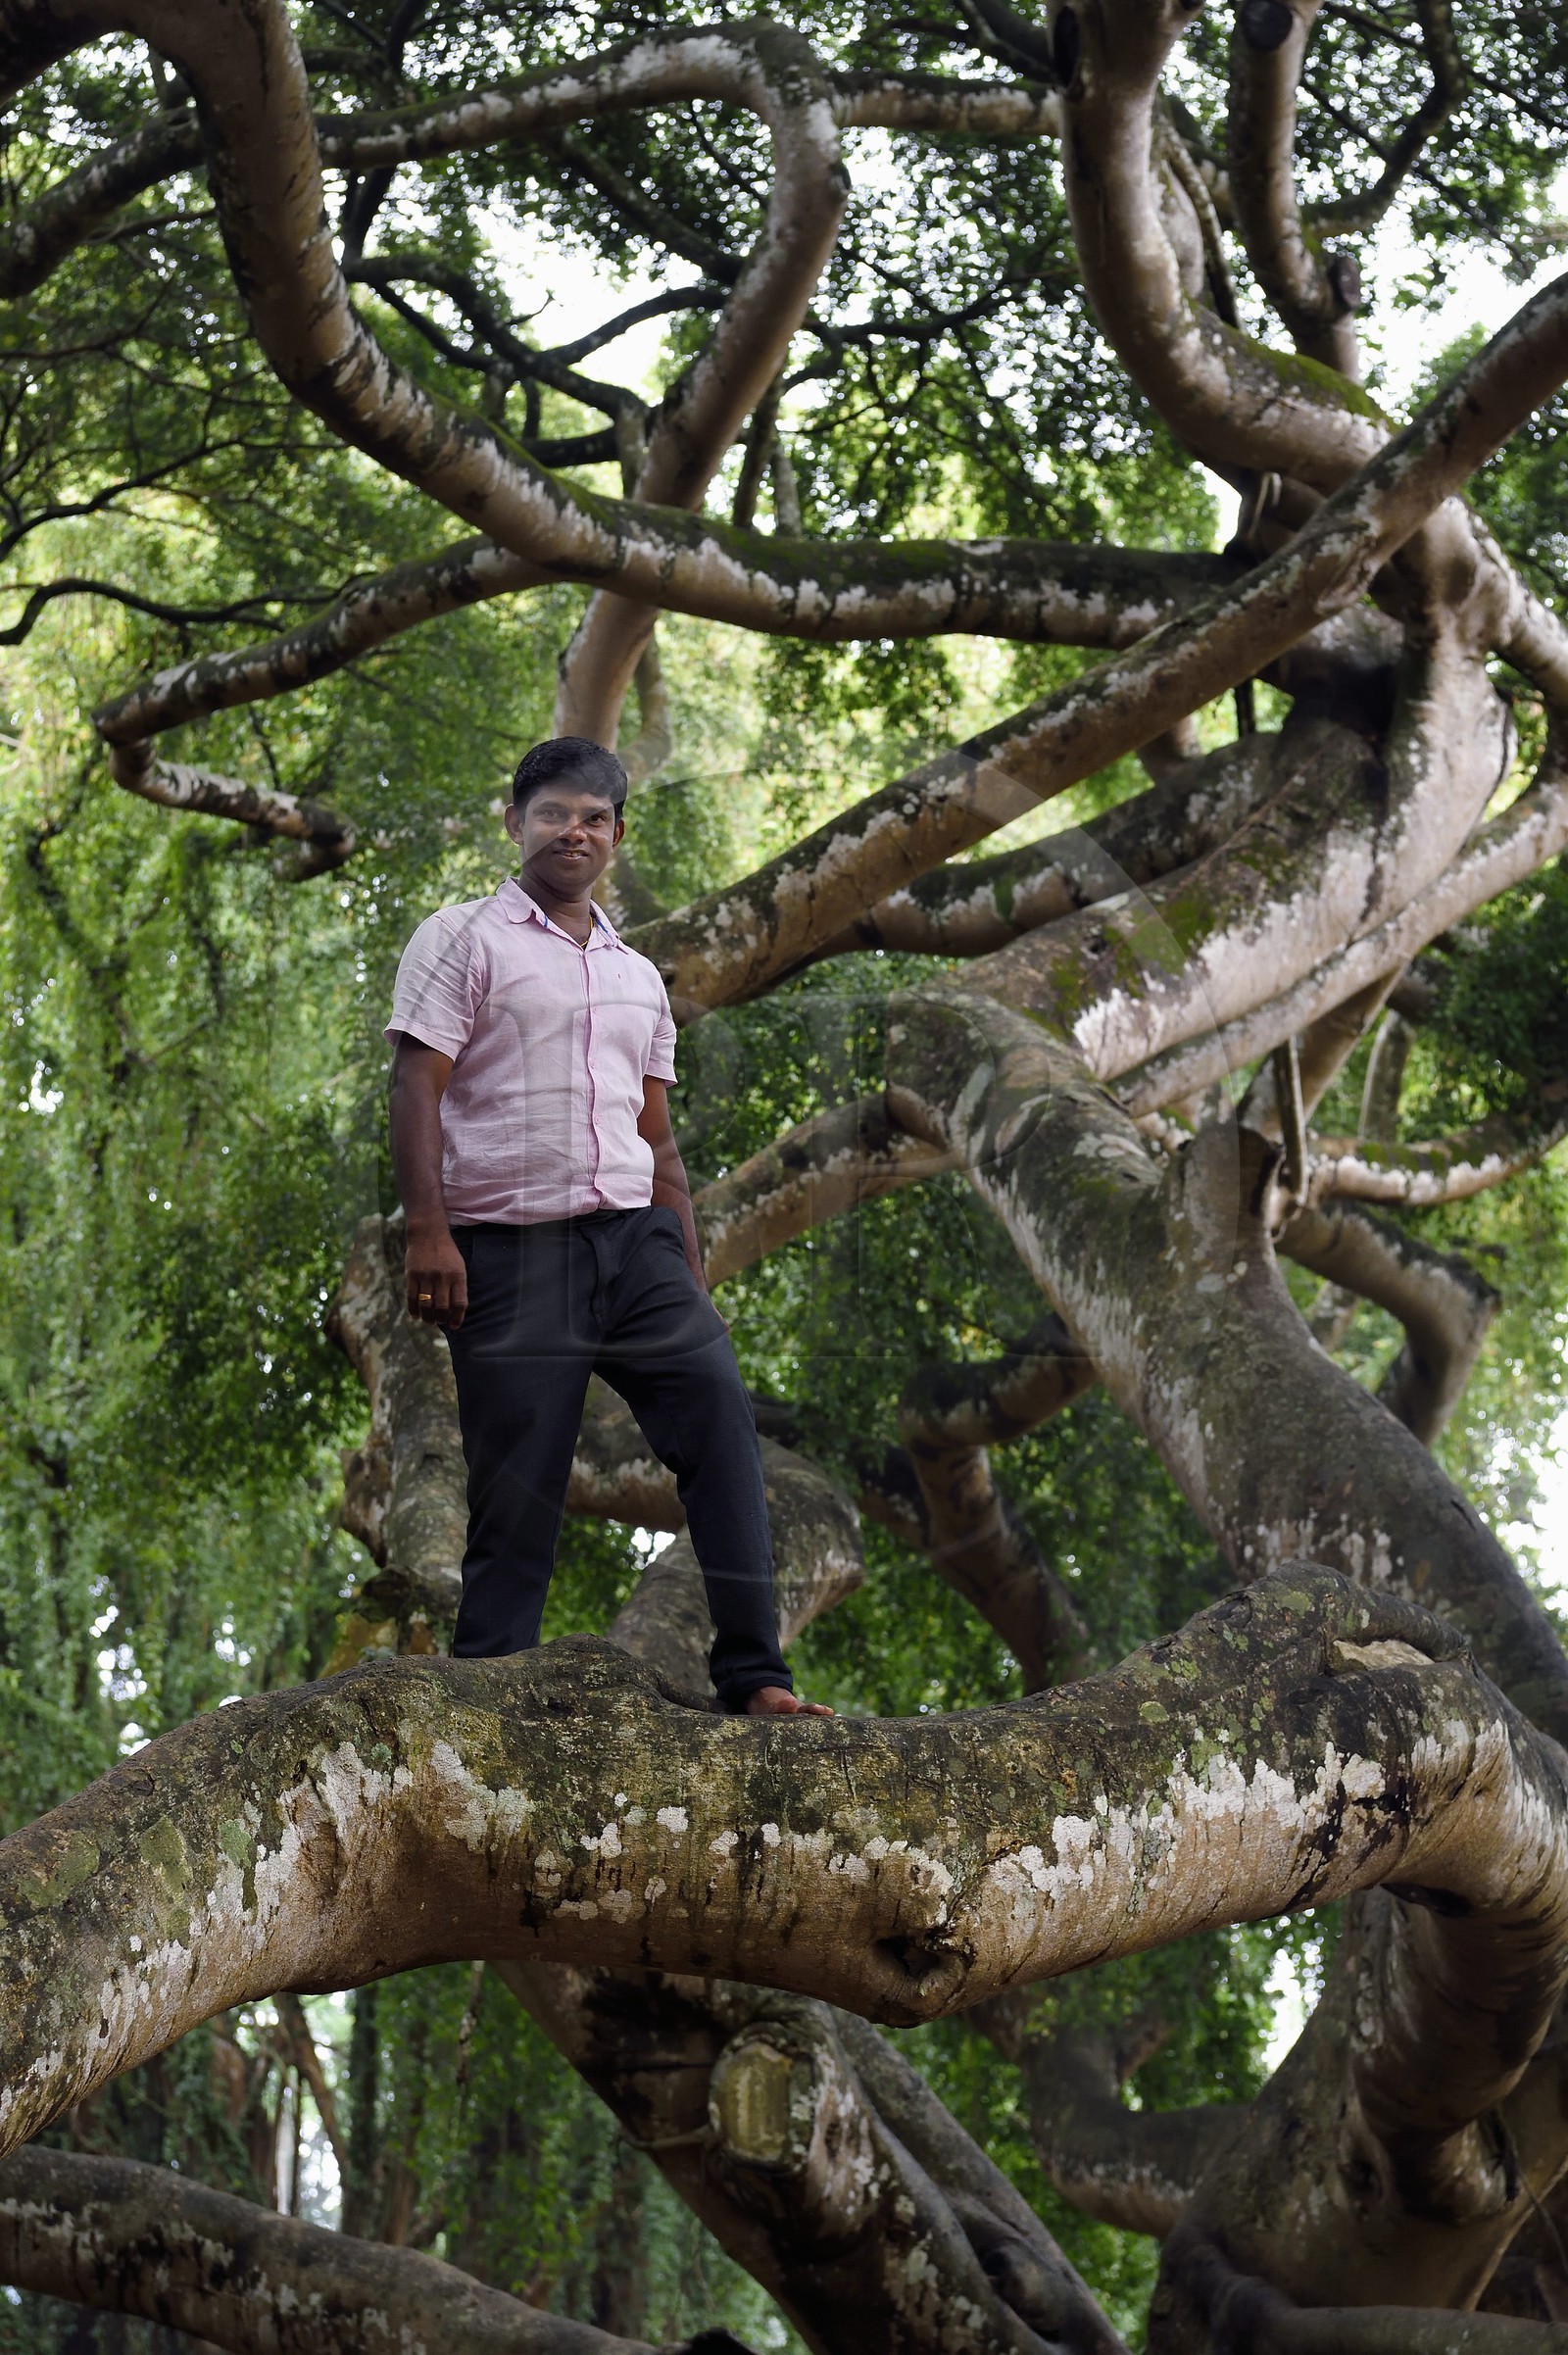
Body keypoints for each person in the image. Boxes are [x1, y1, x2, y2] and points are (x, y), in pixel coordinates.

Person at [385, 735, 830, 1718]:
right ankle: (487, 1705)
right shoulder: (463, 939)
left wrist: (687, 1266)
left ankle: (755, 1676)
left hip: (638, 1247)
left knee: (722, 1429)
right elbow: (417, 1082)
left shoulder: (637, 975)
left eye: (592, 817)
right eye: (552, 813)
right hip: (508, 1251)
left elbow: (657, 1137)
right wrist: (429, 1229)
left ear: (617, 835)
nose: (572, 832)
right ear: (515, 822)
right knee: (518, 1496)